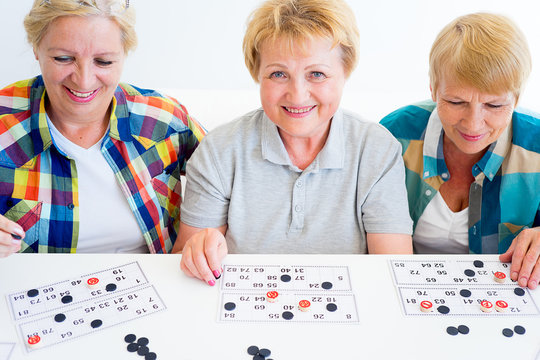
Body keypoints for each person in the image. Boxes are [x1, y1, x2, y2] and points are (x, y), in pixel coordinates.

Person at [174, 0, 413, 286]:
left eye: (317, 74)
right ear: (257, 74)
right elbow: (187, 269)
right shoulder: (219, 151)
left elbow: (392, 275)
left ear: (345, 73)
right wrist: (200, 253)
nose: (297, 96)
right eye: (278, 74)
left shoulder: (377, 150)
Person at [0, 0, 204, 256]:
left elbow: (230, 176)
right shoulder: (4, 122)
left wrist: (208, 235)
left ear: (123, 55)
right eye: (63, 58)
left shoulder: (162, 120)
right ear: (36, 48)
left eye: (104, 62)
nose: (83, 80)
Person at [381, 13, 540, 289]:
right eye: (456, 101)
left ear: (516, 99)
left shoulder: (536, 146)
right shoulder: (394, 136)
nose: (473, 123)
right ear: (433, 89)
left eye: (494, 106)